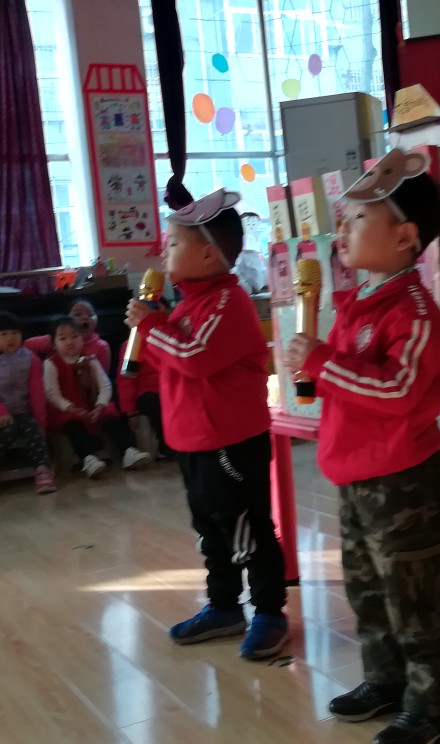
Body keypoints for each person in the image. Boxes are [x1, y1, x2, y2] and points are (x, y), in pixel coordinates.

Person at [284, 149, 440, 744]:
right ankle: (387, 680)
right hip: (358, 477)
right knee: (368, 592)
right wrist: (316, 367)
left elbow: (397, 391)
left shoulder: (414, 314)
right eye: (343, 218)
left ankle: (435, 708)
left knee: (417, 597)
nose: (342, 229)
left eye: (358, 219)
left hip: (404, 482)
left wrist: (323, 362)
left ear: (405, 237)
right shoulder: (359, 305)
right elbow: (348, 383)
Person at [125, 188, 288, 660]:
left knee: (247, 530)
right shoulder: (185, 305)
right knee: (210, 531)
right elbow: (172, 361)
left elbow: (195, 357)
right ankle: (223, 607)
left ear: (208, 254)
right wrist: (151, 330)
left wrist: (152, 326)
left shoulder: (227, 303)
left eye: (174, 244)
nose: (164, 254)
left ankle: (269, 612)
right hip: (193, 441)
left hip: (229, 444)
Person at [43, 318, 152, 479]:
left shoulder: (91, 360)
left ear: (82, 338)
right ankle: (89, 458)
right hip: (66, 409)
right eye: (63, 338)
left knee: (111, 419)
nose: (70, 342)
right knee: (74, 427)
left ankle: (128, 451)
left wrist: (100, 405)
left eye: (75, 336)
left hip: (92, 404)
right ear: (53, 343)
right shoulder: (51, 364)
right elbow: (52, 393)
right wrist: (70, 408)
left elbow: (105, 385)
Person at [0, 312, 56, 493]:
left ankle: (42, 469)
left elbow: (37, 392)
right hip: (2, 415)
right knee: (6, 430)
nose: (10, 338)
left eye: (15, 333)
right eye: (3, 334)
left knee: (32, 428)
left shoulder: (30, 359)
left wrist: (41, 422)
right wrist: (2, 411)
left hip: (25, 413)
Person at [116, 338, 173, 460]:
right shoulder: (132, 346)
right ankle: (165, 447)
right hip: (146, 393)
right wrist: (130, 412)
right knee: (156, 402)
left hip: (168, 389)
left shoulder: (168, 339)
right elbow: (126, 382)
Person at [26, 299, 112, 373]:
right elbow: (26, 345)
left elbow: (103, 377)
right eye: (78, 314)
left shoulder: (101, 347)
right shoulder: (57, 339)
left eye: (90, 314)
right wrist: (38, 367)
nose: (85, 317)